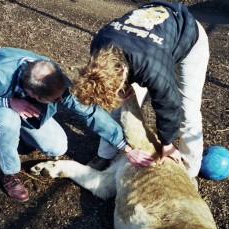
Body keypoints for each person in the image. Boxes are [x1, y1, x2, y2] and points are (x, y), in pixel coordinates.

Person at [0, 47, 152, 202]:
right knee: (7, 120)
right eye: (56, 99)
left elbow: (89, 112)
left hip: (23, 103)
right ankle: (9, 173)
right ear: (34, 95)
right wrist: (9, 103)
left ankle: (17, 134)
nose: (62, 100)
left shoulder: (50, 74)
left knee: (57, 146)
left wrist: (124, 146)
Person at [72, 1, 210, 182]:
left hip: (187, 37)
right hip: (147, 43)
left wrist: (167, 144)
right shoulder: (100, 43)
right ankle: (105, 154)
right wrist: (119, 93)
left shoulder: (151, 68)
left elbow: (169, 105)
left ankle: (189, 171)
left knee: (187, 109)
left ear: (121, 76)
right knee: (118, 104)